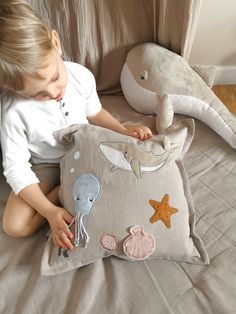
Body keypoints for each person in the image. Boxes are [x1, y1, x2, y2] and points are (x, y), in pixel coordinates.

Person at [0, 0, 153, 250]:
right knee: (15, 226)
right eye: (36, 94)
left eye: (55, 77)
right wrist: (49, 211)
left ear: (56, 43)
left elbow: (96, 113)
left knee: (131, 166)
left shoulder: (80, 76)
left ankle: (74, 186)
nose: (53, 92)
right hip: (47, 165)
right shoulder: (12, 111)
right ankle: (65, 190)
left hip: (87, 147)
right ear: (13, 89)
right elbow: (16, 168)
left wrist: (124, 131)